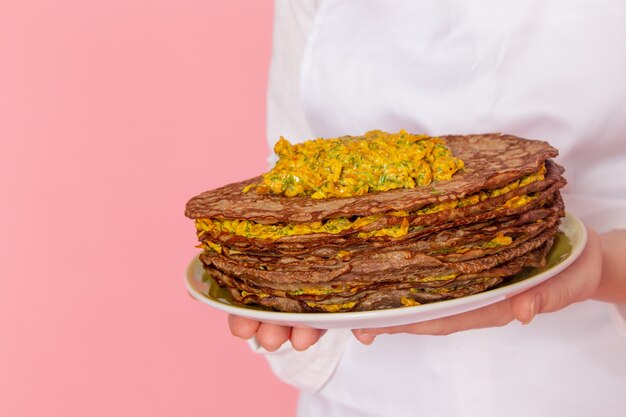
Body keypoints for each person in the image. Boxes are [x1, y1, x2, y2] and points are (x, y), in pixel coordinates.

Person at [229, 1, 626, 415]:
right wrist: (286, 282)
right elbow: (281, 180)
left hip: (593, 382)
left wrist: (606, 265)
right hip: (366, 390)